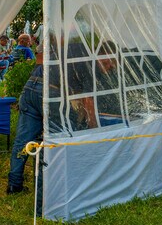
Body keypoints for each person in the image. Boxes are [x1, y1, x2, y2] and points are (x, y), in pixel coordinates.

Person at [7, 41, 118, 199]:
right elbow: (88, 100)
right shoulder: (91, 64)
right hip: (50, 91)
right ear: (102, 55)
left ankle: (14, 184)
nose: (110, 66)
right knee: (62, 136)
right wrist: (94, 130)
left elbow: (76, 90)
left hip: (31, 86)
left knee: (23, 139)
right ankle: (58, 182)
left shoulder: (79, 48)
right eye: (109, 62)